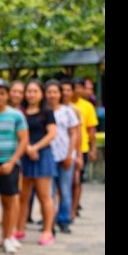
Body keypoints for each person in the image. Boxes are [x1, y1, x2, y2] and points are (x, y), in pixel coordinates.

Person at [0, 78, 27, 254]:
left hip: (10, 164)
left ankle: (8, 236)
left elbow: (23, 140)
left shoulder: (16, 115)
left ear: (7, 95)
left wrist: (12, 161)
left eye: (2, 93)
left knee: (9, 201)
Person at [17, 79, 58, 244]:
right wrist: (27, 148)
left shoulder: (47, 112)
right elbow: (19, 133)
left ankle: (47, 230)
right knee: (23, 195)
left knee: (44, 195)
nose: (31, 94)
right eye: (29, 91)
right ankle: (19, 229)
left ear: (41, 94)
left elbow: (52, 134)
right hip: (24, 155)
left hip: (42, 155)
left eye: (35, 91)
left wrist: (35, 148)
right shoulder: (21, 112)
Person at [46, 80, 80, 234]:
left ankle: (64, 219)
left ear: (60, 94)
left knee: (65, 190)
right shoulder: (44, 112)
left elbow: (74, 134)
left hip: (65, 155)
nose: (52, 95)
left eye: (55, 92)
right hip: (47, 156)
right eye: (49, 92)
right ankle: (49, 221)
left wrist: (71, 154)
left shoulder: (68, 111)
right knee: (49, 192)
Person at [72, 77, 100, 219]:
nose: (76, 91)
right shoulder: (64, 105)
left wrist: (93, 148)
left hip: (82, 148)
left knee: (77, 180)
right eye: (74, 88)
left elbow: (91, 129)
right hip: (65, 149)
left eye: (78, 88)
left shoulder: (87, 106)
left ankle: (74, 207)